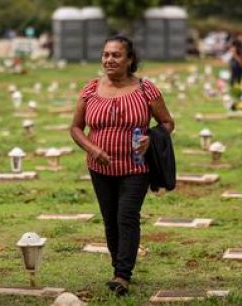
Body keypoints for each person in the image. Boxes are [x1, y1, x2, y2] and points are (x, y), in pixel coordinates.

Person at [70, 35, 174, 296]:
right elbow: (75, 128)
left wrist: (151, 138)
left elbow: (167, 122)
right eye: (106, 54)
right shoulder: (90, 89)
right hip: (100, 169)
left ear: (130, 60)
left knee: (126, 217)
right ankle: (119, 266)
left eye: (116, 55)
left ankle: (122, 275)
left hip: (136, 168)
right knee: (110, 220)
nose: (109, 60)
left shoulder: (146, 90)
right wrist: (92, 148)